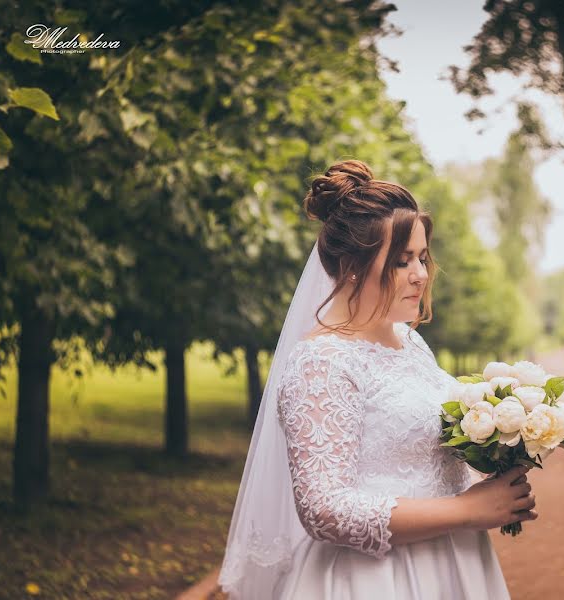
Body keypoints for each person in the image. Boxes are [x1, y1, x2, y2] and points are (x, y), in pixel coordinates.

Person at [218, 159, 536, 600]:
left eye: (422, 257)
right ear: (353, 266)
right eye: (401, 261)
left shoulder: (410, 343)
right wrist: (464, 510)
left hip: (454, 567)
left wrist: (498, 454)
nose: (421, 274)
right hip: (375, 579)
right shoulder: (323, 361)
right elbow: (323, 509)